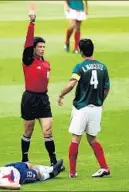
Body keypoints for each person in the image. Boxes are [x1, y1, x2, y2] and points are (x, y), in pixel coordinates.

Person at [57, 39, 110, 178]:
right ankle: (104, 167)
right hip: (96, 108)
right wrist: (100, 101)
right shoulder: (103, 67)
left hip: (82, 108)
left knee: (75, 139)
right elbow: (106, 88)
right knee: (93, 139)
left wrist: (61, 95)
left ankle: (72, 172)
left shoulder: (80, 67)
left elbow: (71, 84)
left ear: (81, 51)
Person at [21, 11, 64, 171]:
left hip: (43, 99)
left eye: (44, 46)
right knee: (29, 129)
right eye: (40, 46)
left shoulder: (47, 64)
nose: (42, 49)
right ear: (34, 48)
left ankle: (54, 162)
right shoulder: (28, 60)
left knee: (48, 129)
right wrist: (32, 23)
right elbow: (27, 43)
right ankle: (24, 159)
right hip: (29, 98)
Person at [0, 159, 64, 190]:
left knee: (29, 164)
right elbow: (18, 186)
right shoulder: (1, 182)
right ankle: (53, 171)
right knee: (36, 173)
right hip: (21, 176)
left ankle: (53, 169)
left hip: (12, 166)